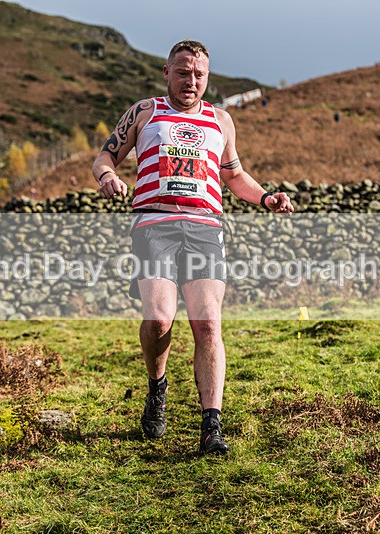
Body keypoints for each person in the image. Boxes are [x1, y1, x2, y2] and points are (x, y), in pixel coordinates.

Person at [92, 39, 293, 455]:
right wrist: (108, 176)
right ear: (167, 72)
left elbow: (235, 176)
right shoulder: (145, 111)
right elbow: (104, 158)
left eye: (199, 74)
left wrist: (267, 198)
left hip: (204, 228)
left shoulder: (221, 120)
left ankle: (211, 427)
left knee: (207, 324)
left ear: (208, 77)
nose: (191, 80)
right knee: (160, 322)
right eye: (183, 72)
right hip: (154, 224)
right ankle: (157, 386)